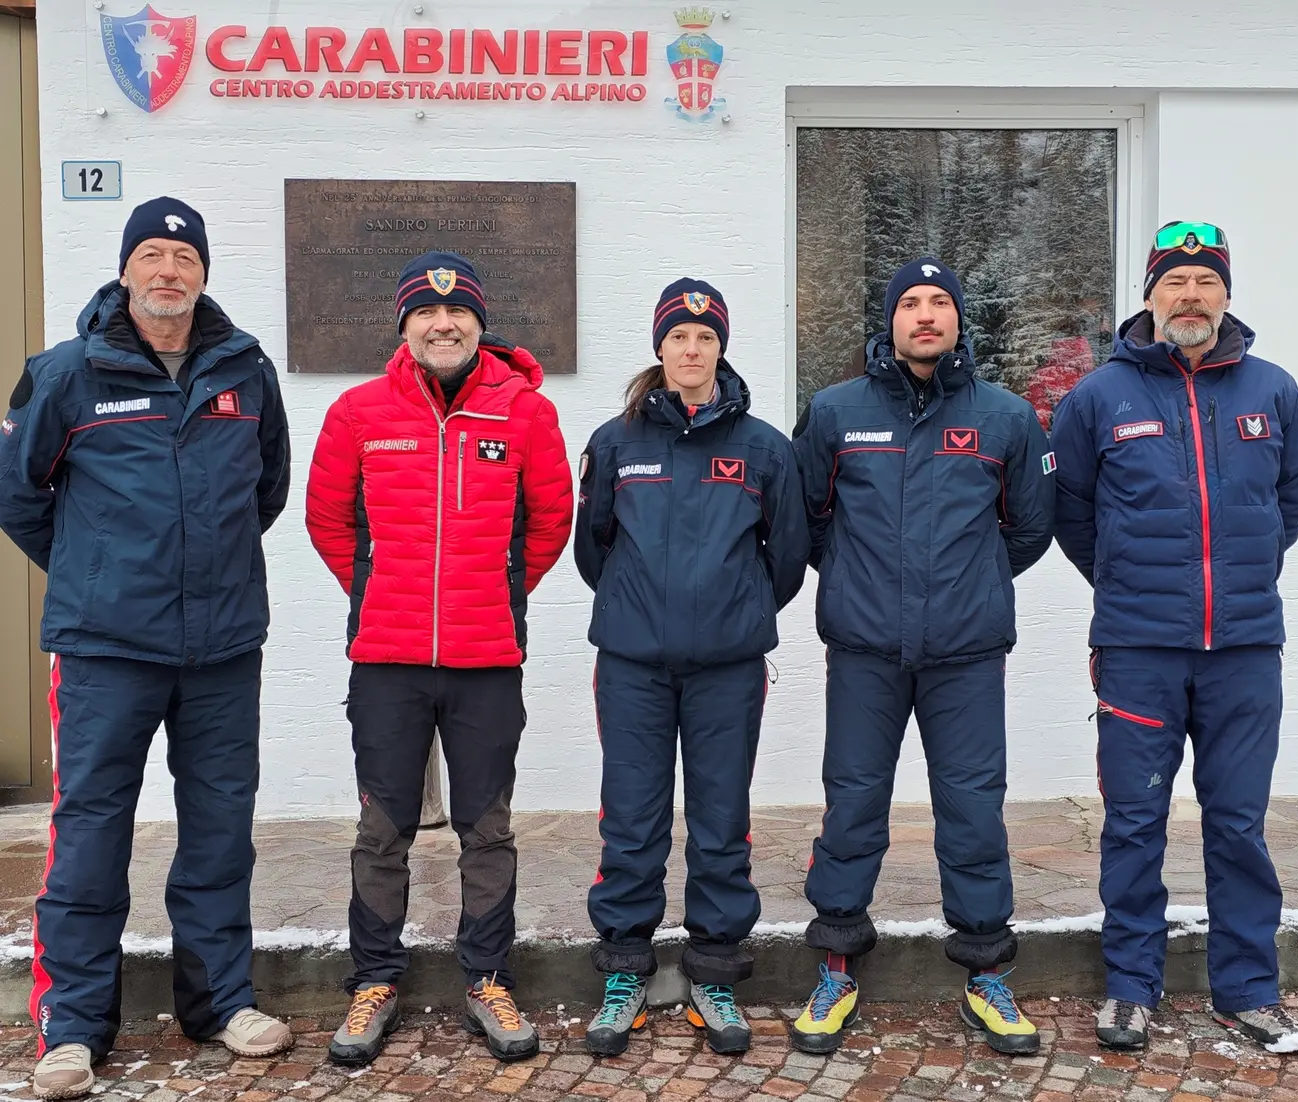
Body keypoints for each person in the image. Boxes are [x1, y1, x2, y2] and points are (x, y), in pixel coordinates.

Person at [0, 197, 293, 1100]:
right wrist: (97, 573)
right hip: (106, 652)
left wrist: (201, 575)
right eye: (153, 256)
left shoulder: (247, 370)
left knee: (219, 831)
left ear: (203, 273)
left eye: (184, 257)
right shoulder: (66, 373)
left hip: (222, 648)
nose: (169, 271)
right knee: (91, 833)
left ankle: (219, 1002)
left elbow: (266, 490)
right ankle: (73, 1026)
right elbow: (19, 497)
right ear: (126, 269)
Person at [305, 250, 573, 1066]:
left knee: (486, 830)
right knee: (381, 830)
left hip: (486, 660)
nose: (442, 324)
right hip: (386, 661)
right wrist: (378, 591)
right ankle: (374, 980)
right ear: (405, 325)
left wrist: (495, 592)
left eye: (457, 313)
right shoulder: (357, 412)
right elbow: (327, 521)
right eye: (425, 311)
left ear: (479, 324)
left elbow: (550, 522)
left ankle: (488, 977)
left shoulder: (526, 414)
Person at [1050, 221, 1298, 1053]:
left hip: (1244, 648)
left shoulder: (1273, 390)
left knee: (1238, 824)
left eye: (1206, 281)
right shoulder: (1099, 396)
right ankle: (1131, 986)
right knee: (1134, 822)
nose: (1190, 296)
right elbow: (1071, 512)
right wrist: (1128, 579)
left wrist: (1242, 570)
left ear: (1226, 294)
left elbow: (1291, 500)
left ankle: (1249, 990)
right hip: (1138, 648)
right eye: (1175, 281)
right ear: (1150, 295)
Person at [790, 258, 1054, 1056]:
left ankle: (985, 974)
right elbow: (811, 519)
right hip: (865, 650)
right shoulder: (835, 412)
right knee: (853, 803)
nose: (927, 314)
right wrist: (862, 581)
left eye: (941, 301)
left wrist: (966, 584)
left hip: (966, 654)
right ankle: (837, 966)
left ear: (959, 319)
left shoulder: (1006, 418)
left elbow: (1028, 529)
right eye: (911, 302)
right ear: (891, 319)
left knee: (972, 808)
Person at [573, 278, 808, 1057]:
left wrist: (734, 609)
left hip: (728, 668)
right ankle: (625, 972)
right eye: (679, 336)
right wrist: (641, 607)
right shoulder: (616, 442)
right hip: (633, 665)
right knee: (631, 819)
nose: (692, 348)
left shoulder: (764, 448)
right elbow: (593, 548)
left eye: (705, 337)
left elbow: (787, 558)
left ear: (721, 348)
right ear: (660, 346)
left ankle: (714, 971)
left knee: (720, 820)